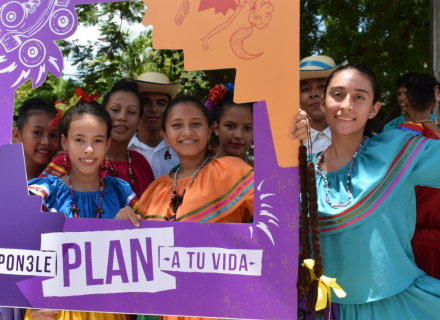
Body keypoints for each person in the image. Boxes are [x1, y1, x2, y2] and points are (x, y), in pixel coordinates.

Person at [297, 64, 440, 320]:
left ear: (374, 109)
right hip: (325, 310)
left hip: (396, 306)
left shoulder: (398, 149)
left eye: (359, 97)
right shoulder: (300, 169)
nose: (347, 105)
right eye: (337, 94)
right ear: (323, 102)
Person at [116, 95, 254, 320]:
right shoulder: (156, 189)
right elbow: (137, 254)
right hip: (164, 306)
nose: (187, 132)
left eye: (196, 124)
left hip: (218, 304)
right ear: (165, 136)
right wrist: (124, 219)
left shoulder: (232, 171)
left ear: (210, 130)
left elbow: (276, 217)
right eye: (177, 125)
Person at [26, 91, 137, 320]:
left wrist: (135, 222)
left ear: (107, 143)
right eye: (79, 140)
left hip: (109, 310)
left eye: (97, 140)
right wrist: (32, 306)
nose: (88, 149)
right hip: (58, 310)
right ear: (65, 142)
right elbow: (23, 251)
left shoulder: (119, 194)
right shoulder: (46, 194)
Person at [40, 82, 155, 198]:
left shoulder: (141, 163)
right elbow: (34, 205)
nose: (122, 117)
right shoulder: (69, 161)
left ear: (140, 121)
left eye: (131, 112)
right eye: (115, 110)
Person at [128, 72, 180, 178]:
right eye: (145, 103)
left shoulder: (182, 149)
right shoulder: (124, 149)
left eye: (161, 103)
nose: (154, 109)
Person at [298, 55, 348, 154]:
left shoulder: (357, 139)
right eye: (305, 89)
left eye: (322, 86)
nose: (313, 94)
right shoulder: (285, 143)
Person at [207, 83, 254, 166]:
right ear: (216, 128)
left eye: (247, 128)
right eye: (230, 126)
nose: (238, 135)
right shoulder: (199, 172)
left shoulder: (260, 175)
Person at [12, 98, 59, 180]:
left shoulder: (64, 178)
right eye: (37, 132)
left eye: (53, 135)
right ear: (17, 135)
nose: (46, 142)